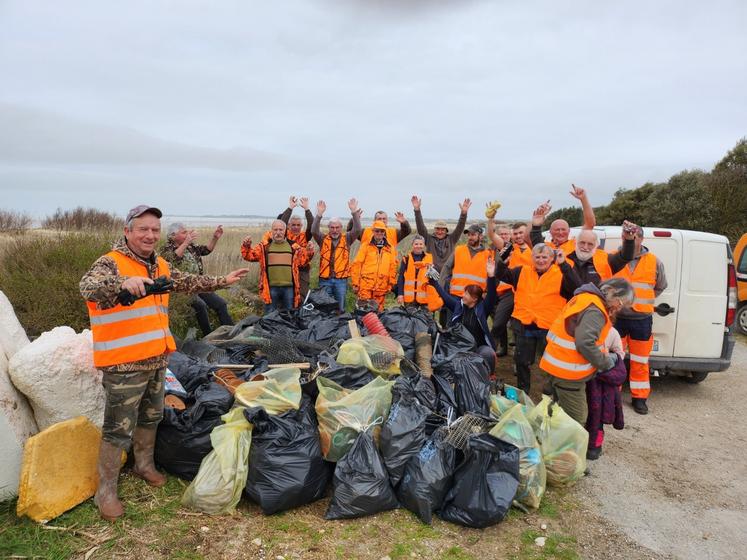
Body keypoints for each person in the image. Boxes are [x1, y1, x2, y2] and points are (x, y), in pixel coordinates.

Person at [80, 205, 249, 522]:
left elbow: (185, 281)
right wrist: (120, 284)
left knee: (152, 415)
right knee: (118, 428)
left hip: (158, 358)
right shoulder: (110, 262)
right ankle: (106, 491)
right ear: (127, 231)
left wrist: (221, 280)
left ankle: (145, 465)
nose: (150, 235)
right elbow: (87, 286)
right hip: (124, 363)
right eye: (143, 229)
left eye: (155, 230)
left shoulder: (158, 265)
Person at [539, 278, 635, 426]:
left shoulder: (584, 298)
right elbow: (585, 343)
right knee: (576, 419)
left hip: (558, 366)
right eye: (620, 303)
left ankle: (548, 442)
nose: (619, 308)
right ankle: (564, 448)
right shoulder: (595, 310)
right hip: (568, 373)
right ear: (611, 292)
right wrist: (605, 363)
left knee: (557, 411)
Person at [494, 244, 581, 394]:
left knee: (550, 362)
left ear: (551, 259)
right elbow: (501, 274)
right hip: (524, 325)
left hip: (548, 328)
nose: (541, 260)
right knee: (522, 362)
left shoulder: (561, 274)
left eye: (544, 257)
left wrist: (564, 265)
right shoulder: (522, 271)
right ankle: (523, 390)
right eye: (538, 257)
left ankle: (550, 391)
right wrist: (502, 260)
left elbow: (576, 287)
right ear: (532, 258)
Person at [612, 225, 668, 415]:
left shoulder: (654, 261)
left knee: (640, 361)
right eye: (625, 235)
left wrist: (644, 301)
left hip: (642, 319)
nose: (628, 238)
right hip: (617, 318)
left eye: (634, 236)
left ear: (641, 239)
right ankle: (613, 396)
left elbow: (660, 287)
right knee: (614, 359)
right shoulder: (614, 258)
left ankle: (639, 398)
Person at [160, 222, 234, 336]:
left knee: (221, 304)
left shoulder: (191, 246)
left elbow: (206, 250)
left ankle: (231, 333)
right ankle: (208, 336)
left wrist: (215, 238)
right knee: (201, 305)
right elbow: (172, 260)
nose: (188, 233)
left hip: (198, 285)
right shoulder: (166, 248)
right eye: (184, 232)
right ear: (173, 235)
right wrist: (185, 243)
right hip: (182, 288)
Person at [428, 257, 498, 372]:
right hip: (458, 347)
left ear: (474, 299)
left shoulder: (482, 309)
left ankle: (487, 375)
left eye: (467, 294)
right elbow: (444, 296)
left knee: (488, 353)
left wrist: (491, 276)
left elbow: (491, 296)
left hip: (477, 348)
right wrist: (434, 282)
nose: (463, 295)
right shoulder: (458, 306)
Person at [241, 219, 313, 312]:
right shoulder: (264, 247)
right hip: (271, 288)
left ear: (285, 231)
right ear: (271, 231)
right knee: (270, 316)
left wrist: (309, 251)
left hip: (289, 288)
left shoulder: (294, 247)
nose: (278, 232)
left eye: (281, 230)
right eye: (275, 230)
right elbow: (249, 256)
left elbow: (304, 261)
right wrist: (246, 246)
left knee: (289, 315)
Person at [487, 220, 534, 356]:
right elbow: (491, 234)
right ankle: (489, 354)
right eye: (516, 233)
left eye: (521, 233)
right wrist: (491, 219)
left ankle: (518, 359)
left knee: (520, 328)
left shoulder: (534, 248)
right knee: (497, 324)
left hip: (529, 293)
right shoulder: (509, 248)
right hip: (510, 292)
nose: (519, 236)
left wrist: (535, 220)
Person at [584, 326, 628, 460]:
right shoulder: (583, 329)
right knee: (584, 412)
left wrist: (607, 360)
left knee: (598, 414)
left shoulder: (612, 332)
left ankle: (594, 445)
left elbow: (620, 354)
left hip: (601, 382)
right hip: (582, 377)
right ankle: (581, 443)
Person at [312, 198, 362, 312]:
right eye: (332, 227)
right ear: (329, 228)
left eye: (337, 227)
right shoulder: (322, 238)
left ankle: (339, 326)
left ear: (341, 228)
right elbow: (314, 230)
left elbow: (358, 229)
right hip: (324, 280)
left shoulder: (348, 238)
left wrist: (354, 212)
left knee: (340, 308)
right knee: (324, 307)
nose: (335, 230)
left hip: (341, 281)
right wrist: (319, 214)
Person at [529, 184, 597, 253]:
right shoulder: (545, 247)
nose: (560, 232)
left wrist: (584, 199)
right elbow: (530, 237)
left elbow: (590, 225)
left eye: (563, 229)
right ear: (550, 232)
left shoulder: (575, 245)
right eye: (557, 230)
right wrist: (536, 224)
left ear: (569, 231)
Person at [411, 195, 471, 271]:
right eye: (438, 229)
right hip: (431, 273)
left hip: (447, 274)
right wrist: (417, 210)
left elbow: (460, 227)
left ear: (446, 231)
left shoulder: (451, 239)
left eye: (442, 230)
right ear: (434, 230)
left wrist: (464, 213)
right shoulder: (429, 239)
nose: (440, 232)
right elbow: (420, 227)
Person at [565, 222, 637, 285]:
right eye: (582, 243)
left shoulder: (606, 259)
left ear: (596, 246)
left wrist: (629, 239)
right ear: (576, 243)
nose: (585, 247)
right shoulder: (563, 259)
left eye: (590, 244)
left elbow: (625, 257)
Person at [350, 220, 399, 311]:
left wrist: (391, 284)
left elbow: (393, 266)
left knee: (378, 312)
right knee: (363, 312)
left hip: (381, 287)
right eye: (377, 231)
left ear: (385, 232)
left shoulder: (390, 248)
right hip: (365, 286)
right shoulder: (366, 246)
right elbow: (357, 264)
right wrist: (355, 283)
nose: (379, 233)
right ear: (373, 231)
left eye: (382, 231)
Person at [277, 196, 314, 298]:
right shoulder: (285, 235)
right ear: (289, 226)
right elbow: (282, 223)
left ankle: (301, 312)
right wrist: (290, 208)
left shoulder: (305, 236)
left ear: (301, 226)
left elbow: (312, 225)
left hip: (303, 270)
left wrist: (307, 209)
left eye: (298, 225)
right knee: (288, 296)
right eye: (293, 225)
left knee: (302, 296)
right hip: (287, 269)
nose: (296, 227)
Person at [441, 223, 490, 298]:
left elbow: (491, 276)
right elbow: (446, 268)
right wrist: (440, 287)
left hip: (476, 297)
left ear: (480, 236)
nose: (470, 237)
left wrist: (487, 292)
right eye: (469, 235)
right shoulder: (458, 250)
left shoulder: (488, 255)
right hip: (456, 295)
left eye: (473, 235)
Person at [396, 235, 443, 311]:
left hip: (426, 296)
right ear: (412, 245)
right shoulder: (406, 259)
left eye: (421, 244)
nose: (418, 246)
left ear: (424, 245)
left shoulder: (429, 258)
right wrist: (400, 294)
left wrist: (431, 268)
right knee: (411, 320)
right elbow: (401, 277)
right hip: (410, 298)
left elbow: (434, 279)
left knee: (426, 320)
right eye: (416, 244)